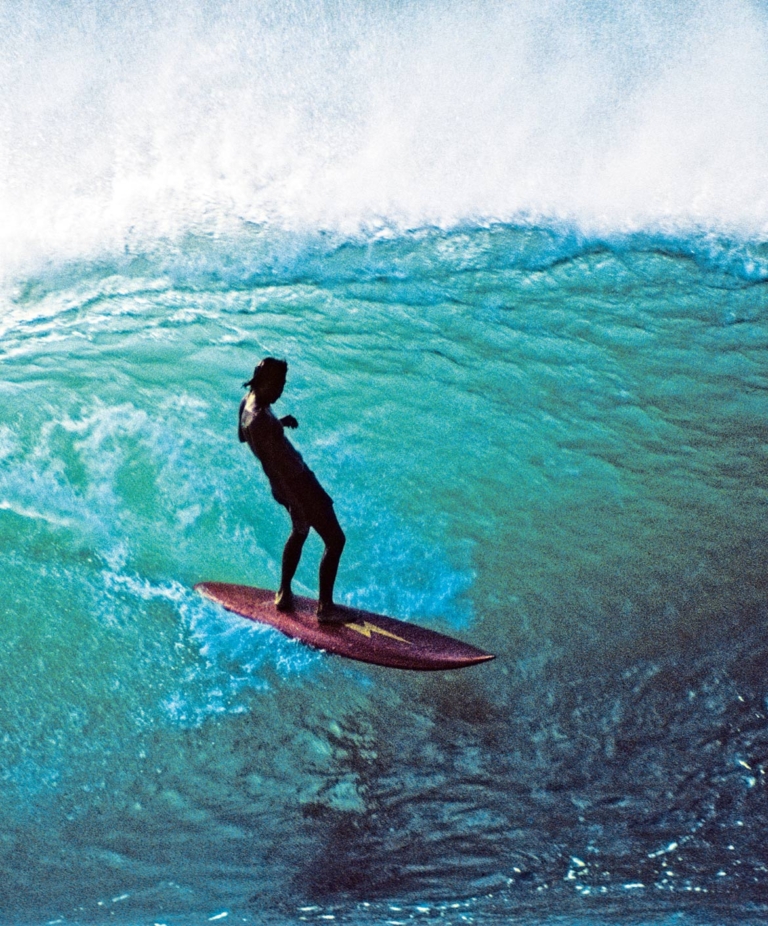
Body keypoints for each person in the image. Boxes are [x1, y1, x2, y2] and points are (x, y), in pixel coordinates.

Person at [239, 357, 346, 622]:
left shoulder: (248, 404)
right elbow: (273, 463)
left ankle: (284, 593)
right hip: (297, 484)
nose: (281, 390)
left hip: (284, 486)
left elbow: (244, 436)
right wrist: (296, 501)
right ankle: (325, 608)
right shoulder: (262, 420)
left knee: (299, 532)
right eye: (278, 384)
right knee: (335, 540)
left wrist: (277, 424)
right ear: (264, 383)